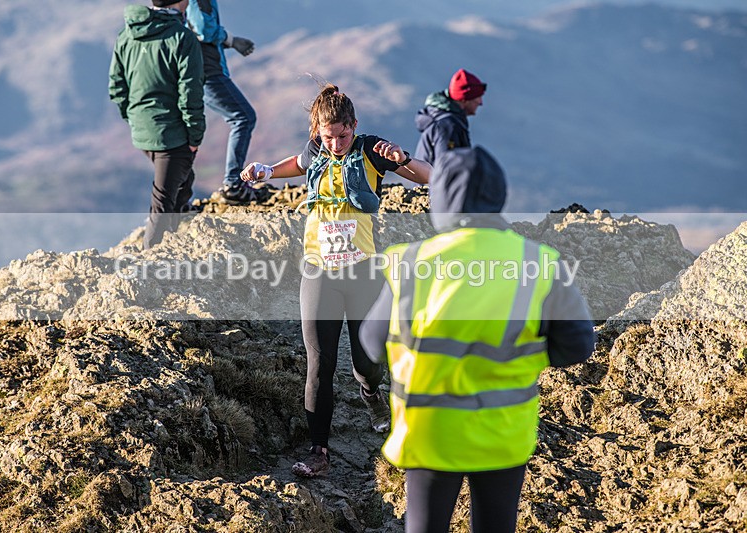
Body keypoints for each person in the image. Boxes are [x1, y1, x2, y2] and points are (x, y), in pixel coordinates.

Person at [359, 146, 595, 533]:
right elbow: (578, 347)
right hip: (502, 433)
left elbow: (370, 343)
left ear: (441, 198)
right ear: (498, 195)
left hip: (428, 430)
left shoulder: (410, 262)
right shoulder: (541, 264)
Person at [240, 84, 431, 478]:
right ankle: (319, 451)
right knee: (320, 364)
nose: (337, 144)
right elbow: (296, 163)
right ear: (318, 133)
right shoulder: (316, 150)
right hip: (318, 272)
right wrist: (267, 172)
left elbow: (428, 178)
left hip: (363, 271)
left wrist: (404, 157)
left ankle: (370, 393)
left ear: (354, 126)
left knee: (367, 362)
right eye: (328, 137)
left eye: (343, 135)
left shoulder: (371, 148)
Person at [109, 0, 205, 249]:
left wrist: (134, 119)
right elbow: (190, 94)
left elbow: (117, 86)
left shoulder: (125, 34)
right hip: (171, 135)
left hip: (142, 131)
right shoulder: (182, 38)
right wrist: (195, 137)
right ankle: (149, 264)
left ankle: (174, 241)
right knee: (161, 204)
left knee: (183, 179)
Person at [185, 0, 267, 205]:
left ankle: (178, 197)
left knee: (188, 127)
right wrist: (231, 39)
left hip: (197, 70)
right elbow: (203, 29)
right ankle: (233, 184)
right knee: (243, 117)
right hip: (208, 71)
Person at [414, 68, 487, 166]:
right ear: (464, 100)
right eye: (477, 97)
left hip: (425, 181)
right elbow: (448, 168)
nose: (480, 102)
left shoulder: (442, 122)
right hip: (434, 181)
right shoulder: (448, 126)